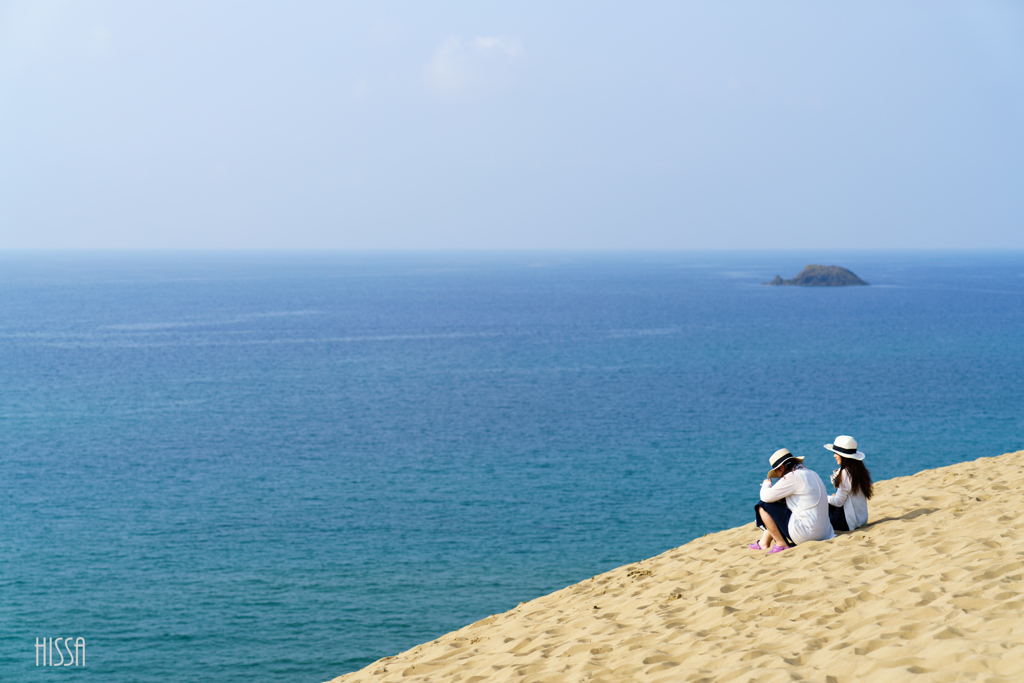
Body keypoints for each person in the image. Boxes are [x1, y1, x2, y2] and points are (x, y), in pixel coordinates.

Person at [750, 448, 835, 553]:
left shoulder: (792, 476)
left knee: (762, 506)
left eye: (777, 471)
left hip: (808, 534)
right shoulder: (812, 473)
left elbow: (765, 497)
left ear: (781, 467)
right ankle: (764, 542)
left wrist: (766, 484)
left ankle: (781, 544)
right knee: (777, 507)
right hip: (826, 532)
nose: (779, 476)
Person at [824, 435, 872, 532]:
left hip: (848, 522)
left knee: (819, 506)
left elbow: (838, 502)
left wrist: (822, 497)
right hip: (861, 519)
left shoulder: (846, 473)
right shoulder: (859, 470)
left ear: (843, 456)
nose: (834, 455)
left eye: (836, 453)